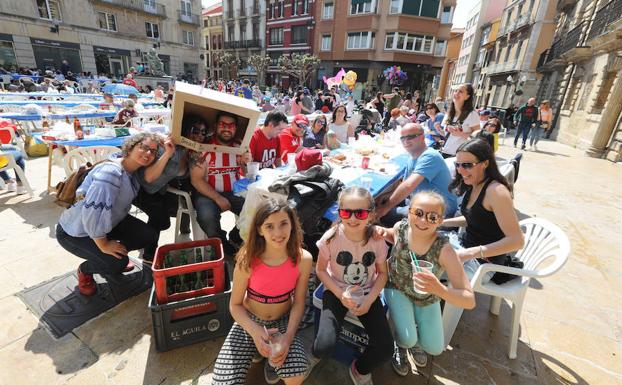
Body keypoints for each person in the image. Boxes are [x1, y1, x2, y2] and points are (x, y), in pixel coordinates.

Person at [211, 198, 312, 385]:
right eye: (269, 226)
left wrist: (288, 338)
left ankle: (268, 358)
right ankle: (258, 351)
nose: (278, 233)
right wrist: (256, 332)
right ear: (259, 230)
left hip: (283, 320)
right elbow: (234, 305)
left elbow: (299, 302)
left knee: (297, 374)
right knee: (222, 382)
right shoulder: (247, 260)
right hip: (250, 320)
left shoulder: (303, 259)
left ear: (292, 225)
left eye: (284, 224)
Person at [381, 191, 475, 374]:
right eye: (418, 213)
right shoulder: (400, 227)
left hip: (428, 295)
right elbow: (394, 237)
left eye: (432, 217)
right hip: (397, 287)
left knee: (434, 348)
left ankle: (412, 335)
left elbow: (469, 299)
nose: (423, 221)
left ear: (440, 221)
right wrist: (382, 232)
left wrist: (439, 289)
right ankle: (402, 344)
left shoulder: (444, 250)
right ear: (409, 212)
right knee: (408, 339)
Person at [56, 133, 160, 296]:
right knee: (115, 263)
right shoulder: (111, 172)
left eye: (153, 152)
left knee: (148, 235)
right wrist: (104, 245)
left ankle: (110, 257)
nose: (148, 153)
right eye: (144, 147)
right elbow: (92, 212)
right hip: (75, 232)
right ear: (131, 147)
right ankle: (86, 270)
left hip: (108, 223)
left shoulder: (132, 173)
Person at [310, 187, 393, 385]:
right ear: (339, 212)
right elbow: (321, 270)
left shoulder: (377, 240)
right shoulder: (330, 238)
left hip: (366, 293)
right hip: (336, 291)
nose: (353, 219)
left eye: (360, 213)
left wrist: (370, 299)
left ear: (371, 214)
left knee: (385, 349)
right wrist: (340, 294)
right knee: (322, 348)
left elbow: (383, 273)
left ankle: (359, 368)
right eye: (346, 212)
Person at [442, 138, 524, 282]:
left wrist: (471, 253)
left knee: (429, 272)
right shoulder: (474, 183)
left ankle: (448, 302)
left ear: (485, 164)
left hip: (484, 263)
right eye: (458, 164)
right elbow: (473, 218)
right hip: (463, 246)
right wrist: (442, 222)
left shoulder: (496, 192)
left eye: (467, 165)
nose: (460, 170)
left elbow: (517, 241)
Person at [376, 123, 457, 227]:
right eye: (402, 138)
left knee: (385, 215)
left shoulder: (430, 156)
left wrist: (385, 208)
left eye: (411, 137)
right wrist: (387, 196)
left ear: (422, 137)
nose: (406, 141)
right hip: (421, 202)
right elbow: (405, 184)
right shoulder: (413, 156)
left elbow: (408, 185)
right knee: (382, 203)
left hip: (438, 211)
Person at [191, 112, 246, 256]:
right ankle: (223, 245)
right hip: (208, 193)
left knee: (257, 211)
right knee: (207, 217)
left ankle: (235, 237)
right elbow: (196, 179)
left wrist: (246, 163)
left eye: (231, 125)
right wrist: (217, 198)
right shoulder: (204, 148)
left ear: (235, 128)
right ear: (216, 126)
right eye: (223, 124)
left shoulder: (240, 147)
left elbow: (246, 175)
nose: (227, 129)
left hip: (234, 191)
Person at [441, 83, 479, 158]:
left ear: (467, 97)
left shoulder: (472, 114)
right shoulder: (449, 113)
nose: (456, 93)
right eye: (455, 91)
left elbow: (478, 137)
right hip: (444, 151)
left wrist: (461, 134)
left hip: (459, 156)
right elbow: (446, 134)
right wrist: (439, 130)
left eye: (460, 91)